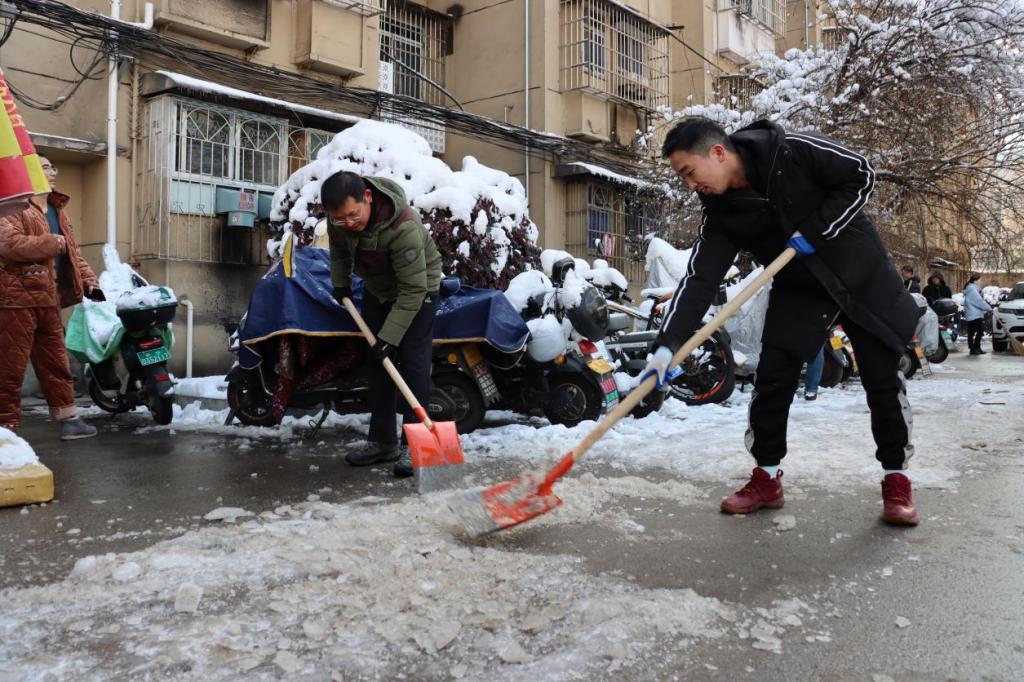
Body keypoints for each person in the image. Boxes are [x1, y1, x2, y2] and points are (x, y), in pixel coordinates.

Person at [642, 118, 923, 526]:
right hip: (800, 289)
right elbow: (700, 279)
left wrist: (817, 229)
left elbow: (860, 173)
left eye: (689, 172)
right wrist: (667, 345)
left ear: (717, 153)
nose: (690, 185)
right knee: (773, 379)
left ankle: (896, 479)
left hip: (860, 276)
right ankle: (766, 478)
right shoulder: (721, 213)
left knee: (882, 379)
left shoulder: (791, 152)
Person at [323, 170, 442, 478]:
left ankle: (415, 445)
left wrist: (389, 338)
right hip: (379, 290)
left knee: (413, 364)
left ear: (368, 197)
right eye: (340, 219)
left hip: (419, 291)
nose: (348, 223)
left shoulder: (403, 226)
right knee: (378, 365)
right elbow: (339, 253)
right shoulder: (338, 221)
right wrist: (340, 283)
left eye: (353, 215)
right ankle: (382, 442)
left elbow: (413, 290)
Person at [0, 156, 102, 439]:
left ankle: (69, 420)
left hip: (49, 299)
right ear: (29, 171)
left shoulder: (57, 210)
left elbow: (73, 255)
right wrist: (52, 243)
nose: (53, 172)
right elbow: (8, 244)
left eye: (53, 167)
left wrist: (91, 283)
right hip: (15, 301)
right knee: (9, 367)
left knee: (57, 363)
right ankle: (5, 428)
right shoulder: (12, 206)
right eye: (45, 167)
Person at [963, 274, 991, 355]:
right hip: (973, 314)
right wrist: (988, 308)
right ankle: (972, 349)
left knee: (980, 331)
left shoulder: (975, 289)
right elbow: (978, 301)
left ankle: (977, 347)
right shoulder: (972, 289)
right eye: (979, 280)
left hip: (976, 314)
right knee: (972, 332)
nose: (980, 281)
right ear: (975, 281)